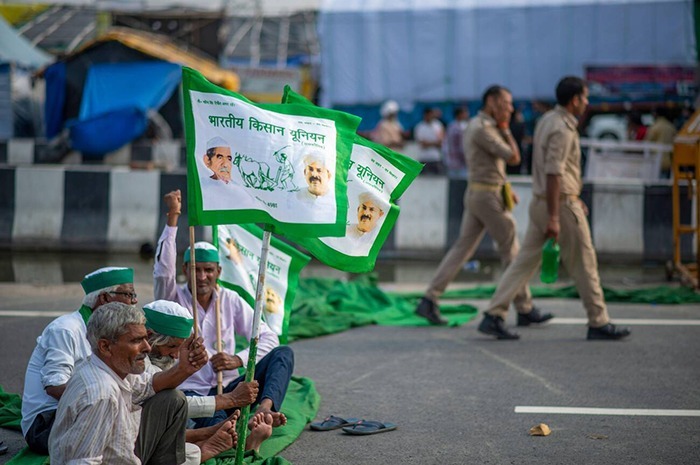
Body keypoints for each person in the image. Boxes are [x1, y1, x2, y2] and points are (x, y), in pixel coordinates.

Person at [480, 76, 631, 341]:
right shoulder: (562, 127)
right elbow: (554, 173)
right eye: (584, 97)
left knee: (522, 264)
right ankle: (598, 320)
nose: (586, 102)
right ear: (574, 100)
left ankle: (494, 313)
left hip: (543, 202)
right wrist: (555, 215)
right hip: (558, 205)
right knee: (585, 263)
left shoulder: (547, 120)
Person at [155, 189, 294, 429]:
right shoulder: (171, 297)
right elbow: (163, 269)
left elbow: (269, 337)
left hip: (230, 387)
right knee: (220, 424)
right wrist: (173, 217)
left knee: (283, 354)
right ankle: (238, 427)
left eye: (208, 270)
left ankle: (264, 410)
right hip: (194, 392)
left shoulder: (230, 298)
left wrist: (236, 360)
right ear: (185, 270)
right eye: (195, 270)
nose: (202, 276)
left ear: (218, 272)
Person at [415, 85, 550, 329]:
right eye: (506, 103)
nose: (510, 108)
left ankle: (429, 298)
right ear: (492, 101)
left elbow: (490, 164)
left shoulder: (480, 126)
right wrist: (507, 129)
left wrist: (506, 185)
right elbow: (513, 157)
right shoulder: (483, 129)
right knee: (511, 251)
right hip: (487, 197)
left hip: (481, 193)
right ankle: (522, 307)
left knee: (463, 249)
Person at [48, 302, 205, 464]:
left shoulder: (109, 368)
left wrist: (185, 369)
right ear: (105, 346)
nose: (147, 348)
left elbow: (149, 385)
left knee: (174, 401)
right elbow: (84, 461)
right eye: (136, 341)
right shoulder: (102, 394)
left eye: (145, 338)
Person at [21, 266, 138, 454]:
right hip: (46, 424)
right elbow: (54, 386)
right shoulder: (66, 329)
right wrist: (108, 401)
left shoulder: (111, 333)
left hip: (86, 413)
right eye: (129, 295)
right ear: (106, 298)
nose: (135, 301)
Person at [142, 300, 274, 459]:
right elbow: (165, 401)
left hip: (215, 390)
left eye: (179, 349)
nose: (175, 355)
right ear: (149, 336)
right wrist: (231, 399)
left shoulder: (230, 298)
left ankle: (208, 439)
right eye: (171, 347)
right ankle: (209, 446)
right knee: (188, 448)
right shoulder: (137, 362)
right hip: (130, 444)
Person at [645, 107, 677, 177]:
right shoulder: (671, 127)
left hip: (656, 161)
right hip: (669, 161)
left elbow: (647, 142)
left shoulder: (655, 127)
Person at [414, 107, 445, 174]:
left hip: (436, 158)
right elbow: (423, 144)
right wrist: (434, 143)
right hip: (424, 158)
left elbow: (440, 142)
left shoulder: (438, 125)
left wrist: (429, 143)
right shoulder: (420, 127)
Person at [443, 106, 470, 179]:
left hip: (457, 162)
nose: (467, 114)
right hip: (458, 162)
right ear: (460, 114)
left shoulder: (452, 126)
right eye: (465, 113)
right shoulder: (456, 127)